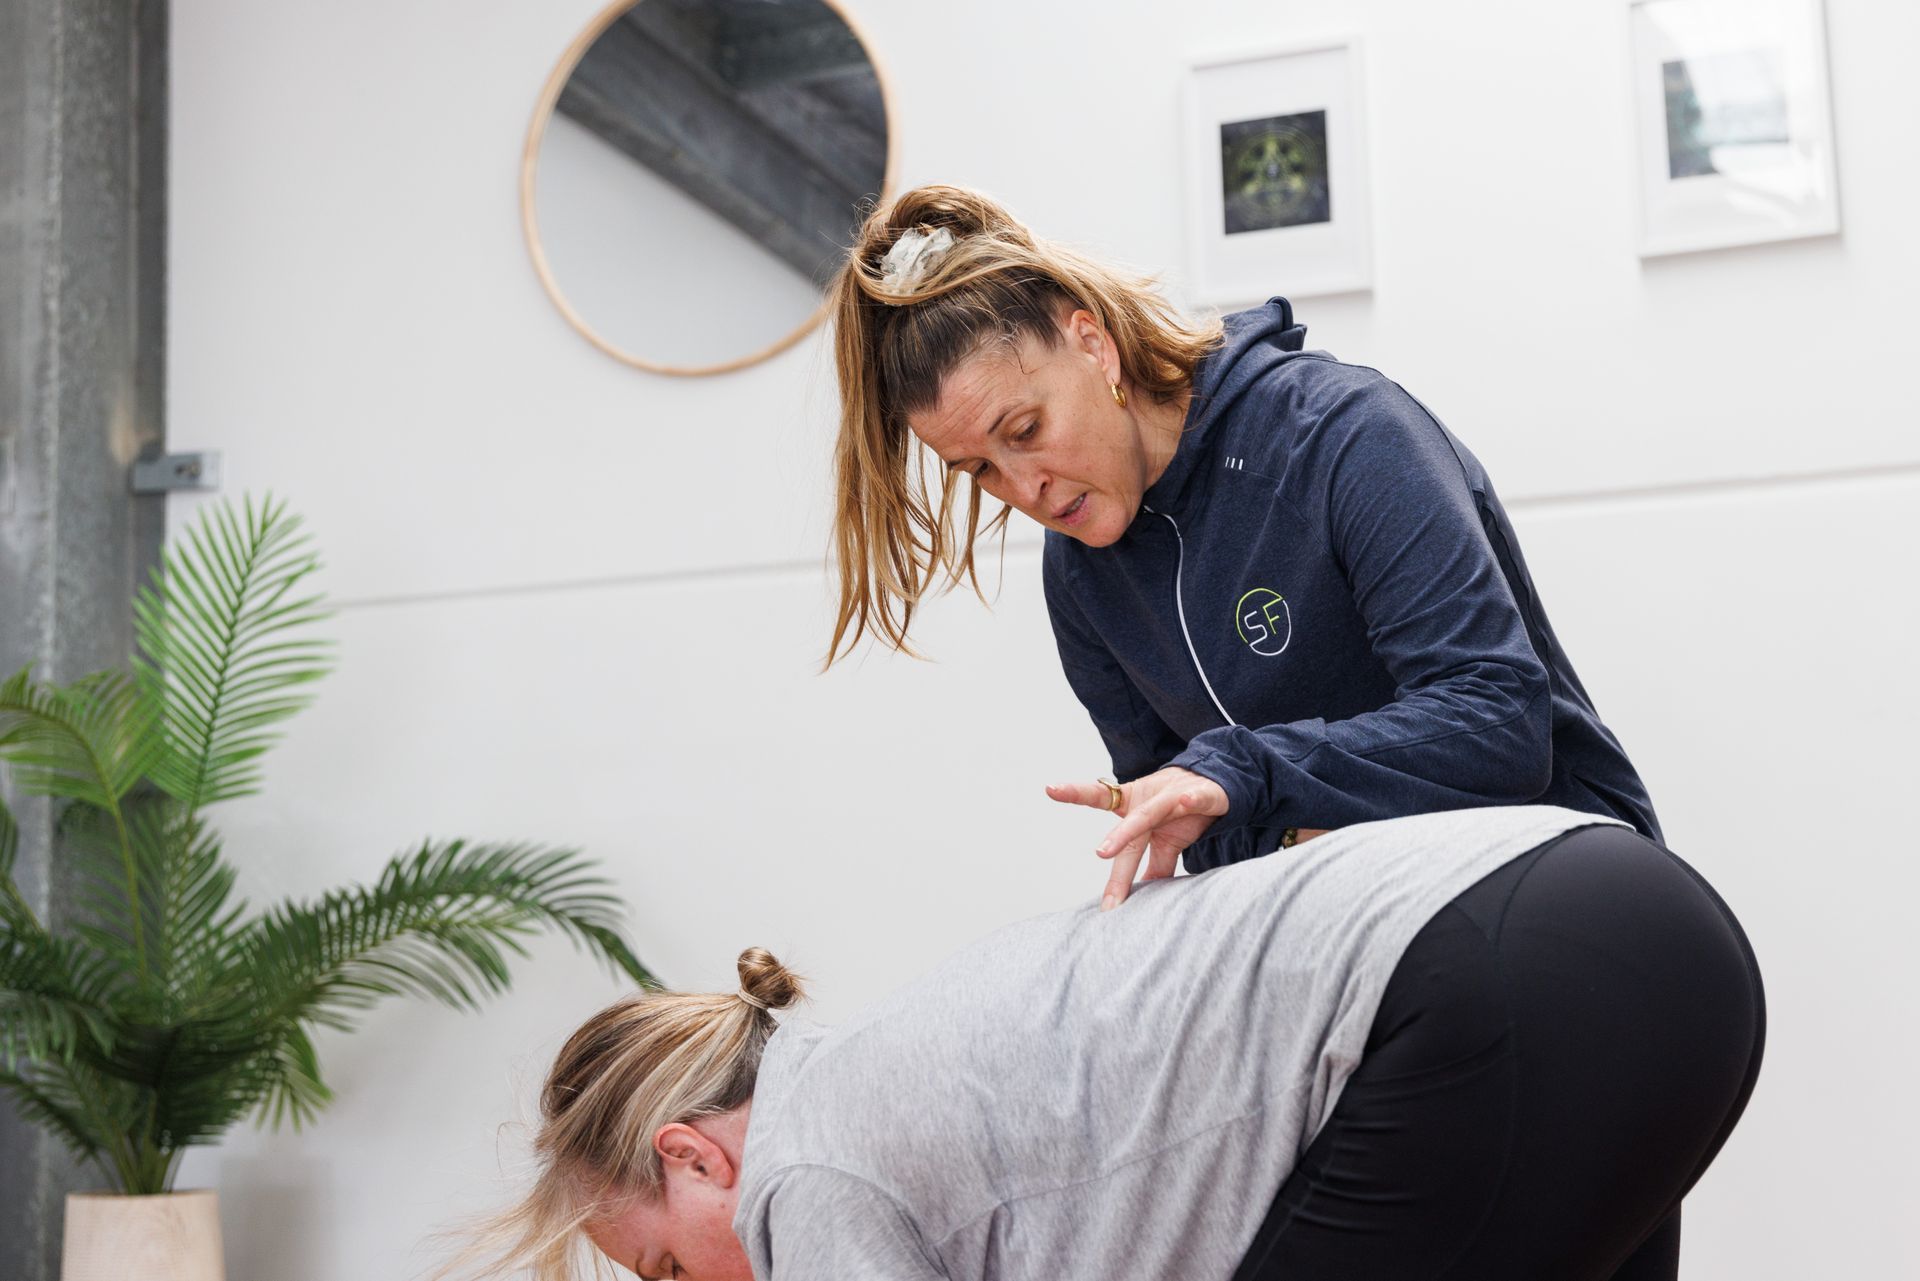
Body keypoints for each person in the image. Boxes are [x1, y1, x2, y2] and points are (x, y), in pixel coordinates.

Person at [456, 806, 1763, 1280]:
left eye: (667, 1277)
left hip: (1492, 988)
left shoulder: (806, 1175)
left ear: (693, 1157)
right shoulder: (872, 1073)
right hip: (1629, 919)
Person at [824, 186, 1662, 905]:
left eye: (1026, 429)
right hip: (1361, 923)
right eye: (978, 470)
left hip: (1567, 883)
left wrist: (1245, 774)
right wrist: (1269, 824)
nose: (1024, 488)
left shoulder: (1341, 435)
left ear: (1093, 344)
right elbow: (1184, 816)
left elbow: (1498, 721)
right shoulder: (1080, 576)